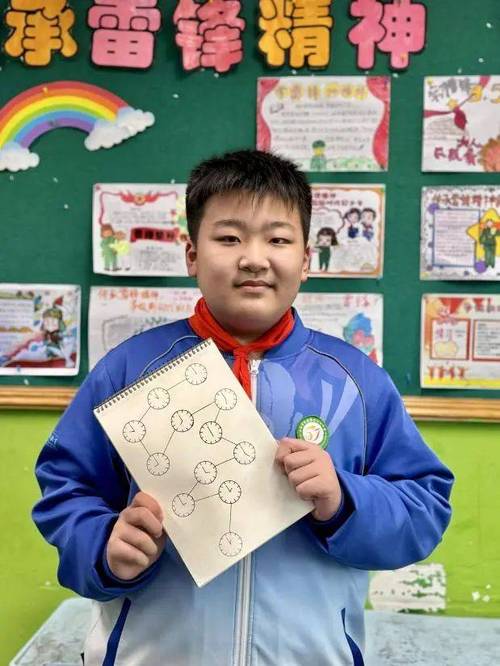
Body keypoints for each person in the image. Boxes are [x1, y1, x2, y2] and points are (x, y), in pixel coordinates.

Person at [33, 149, 453, 666]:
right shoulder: (129, 370)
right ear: (191, 255)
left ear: (306, 259)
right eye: (229, 238)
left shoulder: (355, 383)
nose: (254, 258)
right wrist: (103, 546)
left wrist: (344, 499)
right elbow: (66, 489)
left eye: (278, 239)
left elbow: (425, 507)